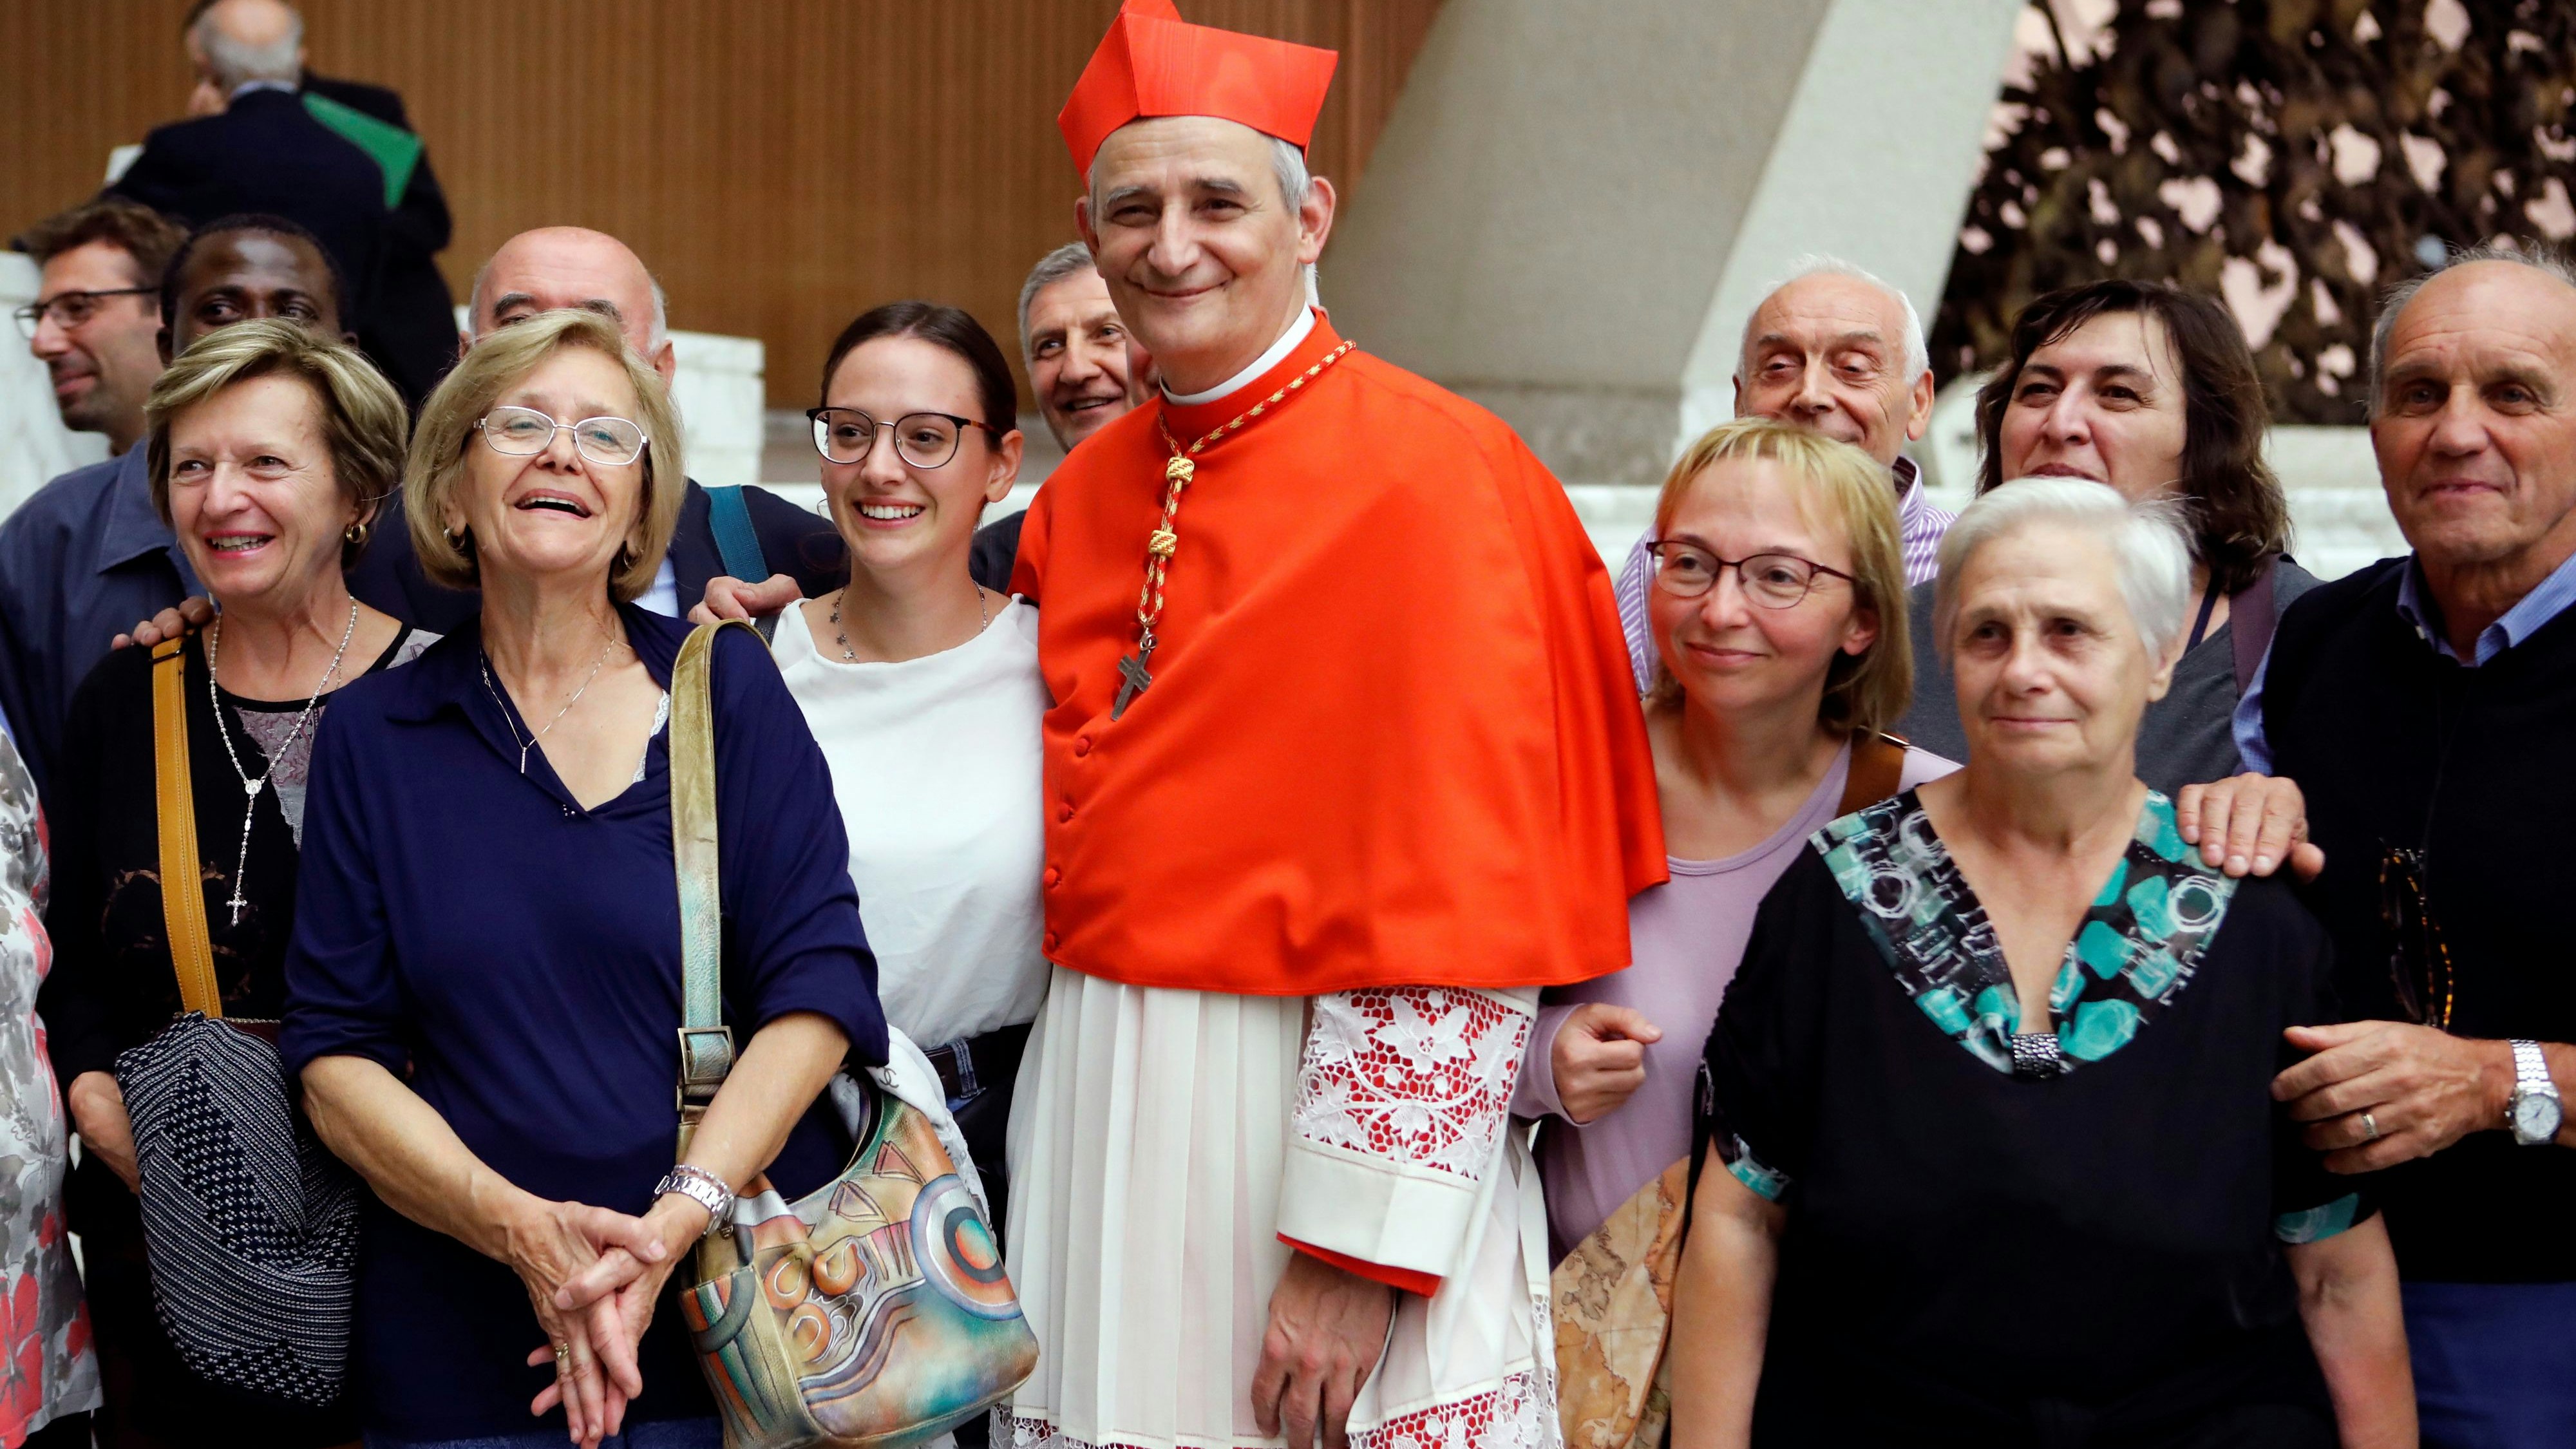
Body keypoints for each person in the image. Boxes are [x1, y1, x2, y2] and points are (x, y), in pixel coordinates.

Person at [995, 7, 1662, 1449]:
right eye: (1135, 209)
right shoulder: (1081, 492)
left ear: (1310, 216)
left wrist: (1361, 1242)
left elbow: (1461, 889)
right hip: (1098, 1096)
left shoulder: (1441, 478)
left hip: (1307, 1122)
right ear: (1088, 232)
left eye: (1216, 201)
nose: (1173, 245)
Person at [1669, 477, 2414, 1447]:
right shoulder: (1840, 894)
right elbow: (1739, 1221)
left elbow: (2336, 1265)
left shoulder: (2259, 916)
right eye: (1987, 633)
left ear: (2155, 661)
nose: (2023, 669)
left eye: (2069, 631)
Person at [279, 307, 882, 1448]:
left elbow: (821, 992)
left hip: (736, 1325)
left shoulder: (727, 693)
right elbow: (334, 1053)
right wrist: (523, 1234)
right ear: (453, 490)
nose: (563, 452)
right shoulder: (375, 733)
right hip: (458, 1340)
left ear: (641, 508)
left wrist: (670, 1227)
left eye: (607, 435)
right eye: (522, 424)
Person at [36, 319, 432, 1449]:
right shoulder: (123, 700)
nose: (221, 499)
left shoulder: (449, 700)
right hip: (172, 1250)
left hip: (412, 1244)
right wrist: (104, 1103)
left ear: (358, 488)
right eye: (192, 466)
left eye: (264, 463)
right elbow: (69, 967)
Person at [2241, 245, 2576, 1446]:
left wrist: (2497, 1084)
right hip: (2308, 1300)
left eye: (2515, 393)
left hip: (2546, 1318)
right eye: (2420, 394)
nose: (2457, 433)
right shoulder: (2317, 641)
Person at [1511, 419, 1953, 1262]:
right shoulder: (1563, 778)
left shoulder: (1927, 816)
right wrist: (1538, 1063)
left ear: (1862, 618)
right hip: (1594, 1357)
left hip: (1832, 1353)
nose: (1718, 608)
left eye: (1777, 575)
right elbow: (1411, 1027)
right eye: (1689, 563)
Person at [751, 299, 1045, 1253]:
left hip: (1019, 1133)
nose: (881, 469)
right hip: (799, 1140)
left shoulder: (1059, 666)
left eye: (927, 437)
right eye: (850, 432)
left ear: (1001, 464)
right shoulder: (750, 661)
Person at [0, 213, 453, 806]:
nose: (258, 335)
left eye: (292, 314)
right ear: (169, 344)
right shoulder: (51, 546)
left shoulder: (430, 550)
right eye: (219, 310)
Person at [1897, 279, 2318, 797]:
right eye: (2039, 391)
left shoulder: (2306, 636)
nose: (2061, 423)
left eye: (2118, 394)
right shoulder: (1903, 628)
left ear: (2207, 437)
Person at [1607, 257, 1956, 692]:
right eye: (1778, 368)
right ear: (1740, 403)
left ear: (1919, 403)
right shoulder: (1673, 554)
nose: (1811, 396)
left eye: (1852, 368)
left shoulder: (1966, 562)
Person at [178, 0, 460, 407]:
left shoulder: (364, 108)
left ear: (298, 53)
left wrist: (335, 216)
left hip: (391, 327)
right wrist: (212, 135)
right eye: (203, 69)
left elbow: (431, 222)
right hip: (273, 336)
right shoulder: (204, 140)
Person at [107, 1, 393, 379]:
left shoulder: (181, 149)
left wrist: (200, 131)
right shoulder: (363, 165)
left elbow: (99, 231)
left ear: (206, 67)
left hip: (212, 375)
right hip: (329, 375)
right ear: (299, 59)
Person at [966, 243, 1155, 591]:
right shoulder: (995, 565)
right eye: (1051, 346)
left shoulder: (1236, 518)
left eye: (1107, 333)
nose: (1075, 370)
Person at [13, 200, 187, 455]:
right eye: (39, 317)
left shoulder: (255, 485)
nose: (41, 344)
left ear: (171, 312)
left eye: (77, 308)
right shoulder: (71, 496)